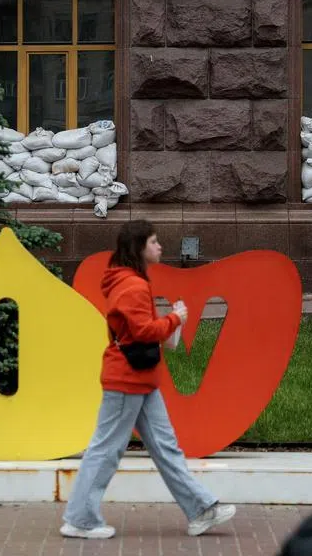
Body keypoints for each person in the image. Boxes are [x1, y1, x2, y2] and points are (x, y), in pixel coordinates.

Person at [61, 219, 237, 539]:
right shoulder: (133, 285)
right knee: (107, 449)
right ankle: (80, 518)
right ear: (140, 248)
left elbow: (138, 327)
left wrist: (169, 321)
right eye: (154, 242)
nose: (160, 247)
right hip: (127, 380)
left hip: (139, 380)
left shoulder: (130, 281)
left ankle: (200, 510)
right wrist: (175, 318)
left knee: (165, 446)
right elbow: (142, 332)